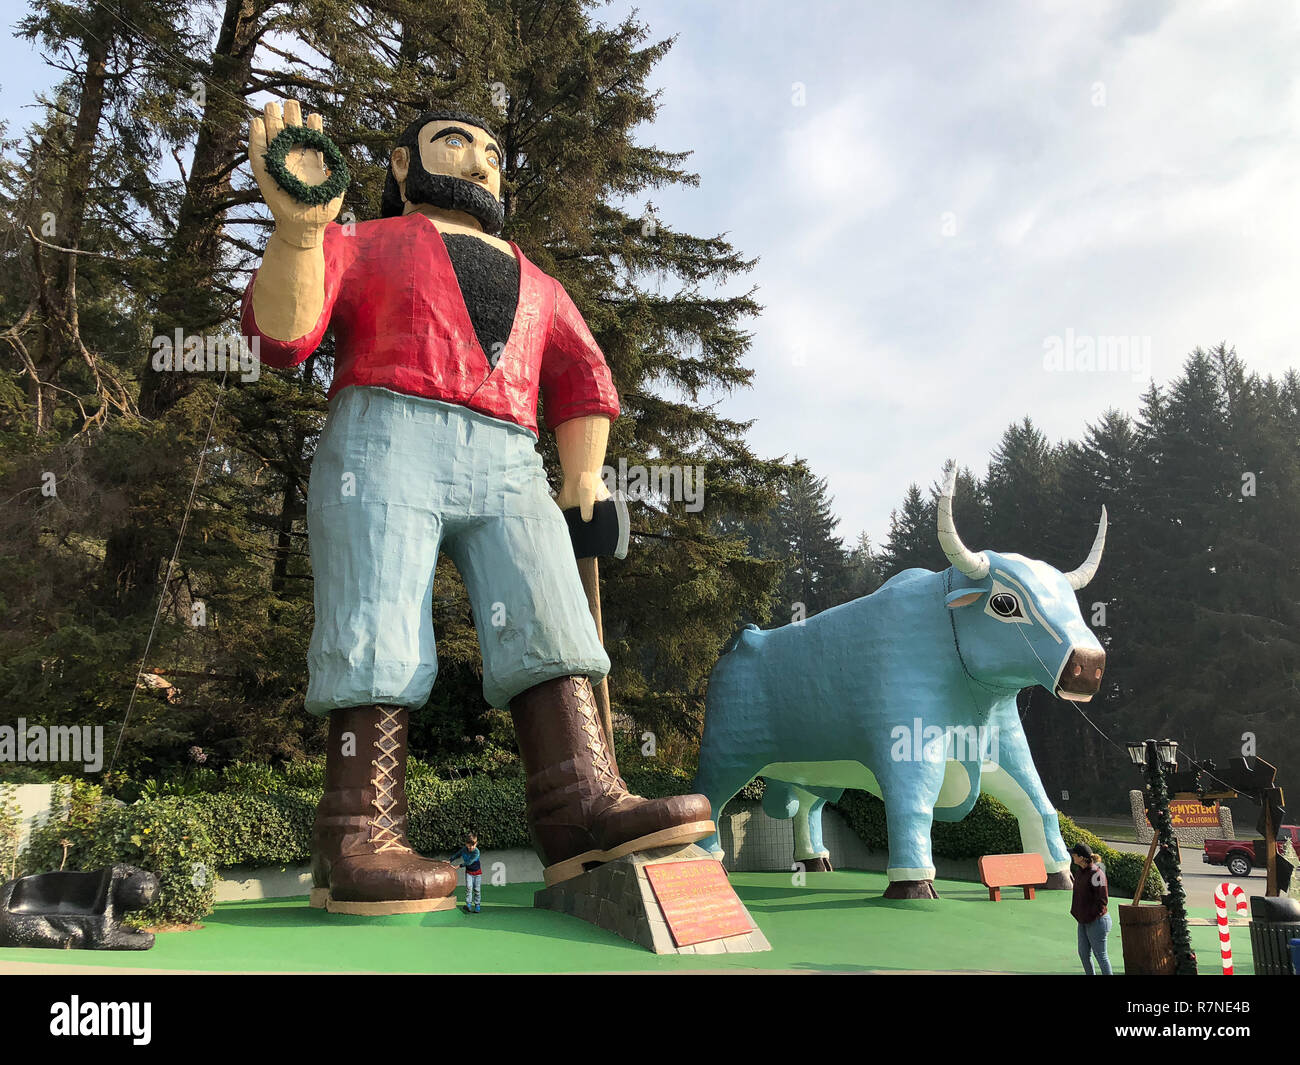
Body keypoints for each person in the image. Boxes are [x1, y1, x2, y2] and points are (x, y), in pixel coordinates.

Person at [242, 101, 714, 914]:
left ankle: (581, 808)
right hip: (386, 434)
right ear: (401, 164)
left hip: (508, 454)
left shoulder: (541, 284)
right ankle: (359, 825)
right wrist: (296, 234)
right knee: (376, 615)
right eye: (454, 143)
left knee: (550, 615)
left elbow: (582, 378)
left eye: (492, 149)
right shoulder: (362, 242)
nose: (480, 161)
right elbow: (282, 337)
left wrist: (583, 477)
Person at [1070, 842, 1112, 974]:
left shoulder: (1096, 873)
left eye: (1074, 854)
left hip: (1097, 921)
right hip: (1083, 920)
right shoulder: (1080, 872)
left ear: (1081, 857)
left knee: (1101, 956)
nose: (1072, 856)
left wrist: (1090, 916)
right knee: (1083, 954)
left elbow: (1103, 900)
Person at [448, 835, 483, 913]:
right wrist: (450, 861)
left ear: (476, 844)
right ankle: (468, 905)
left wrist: (459, 866)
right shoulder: (464, 850)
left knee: (477, 890)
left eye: (473, 846)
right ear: (466, 844)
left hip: (477, 873)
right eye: (469, 846)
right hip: (469, 873)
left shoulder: (476, 852)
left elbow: (469, 862)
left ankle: (477, 905)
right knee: (469, 888)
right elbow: (457, 854)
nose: (471, 848)